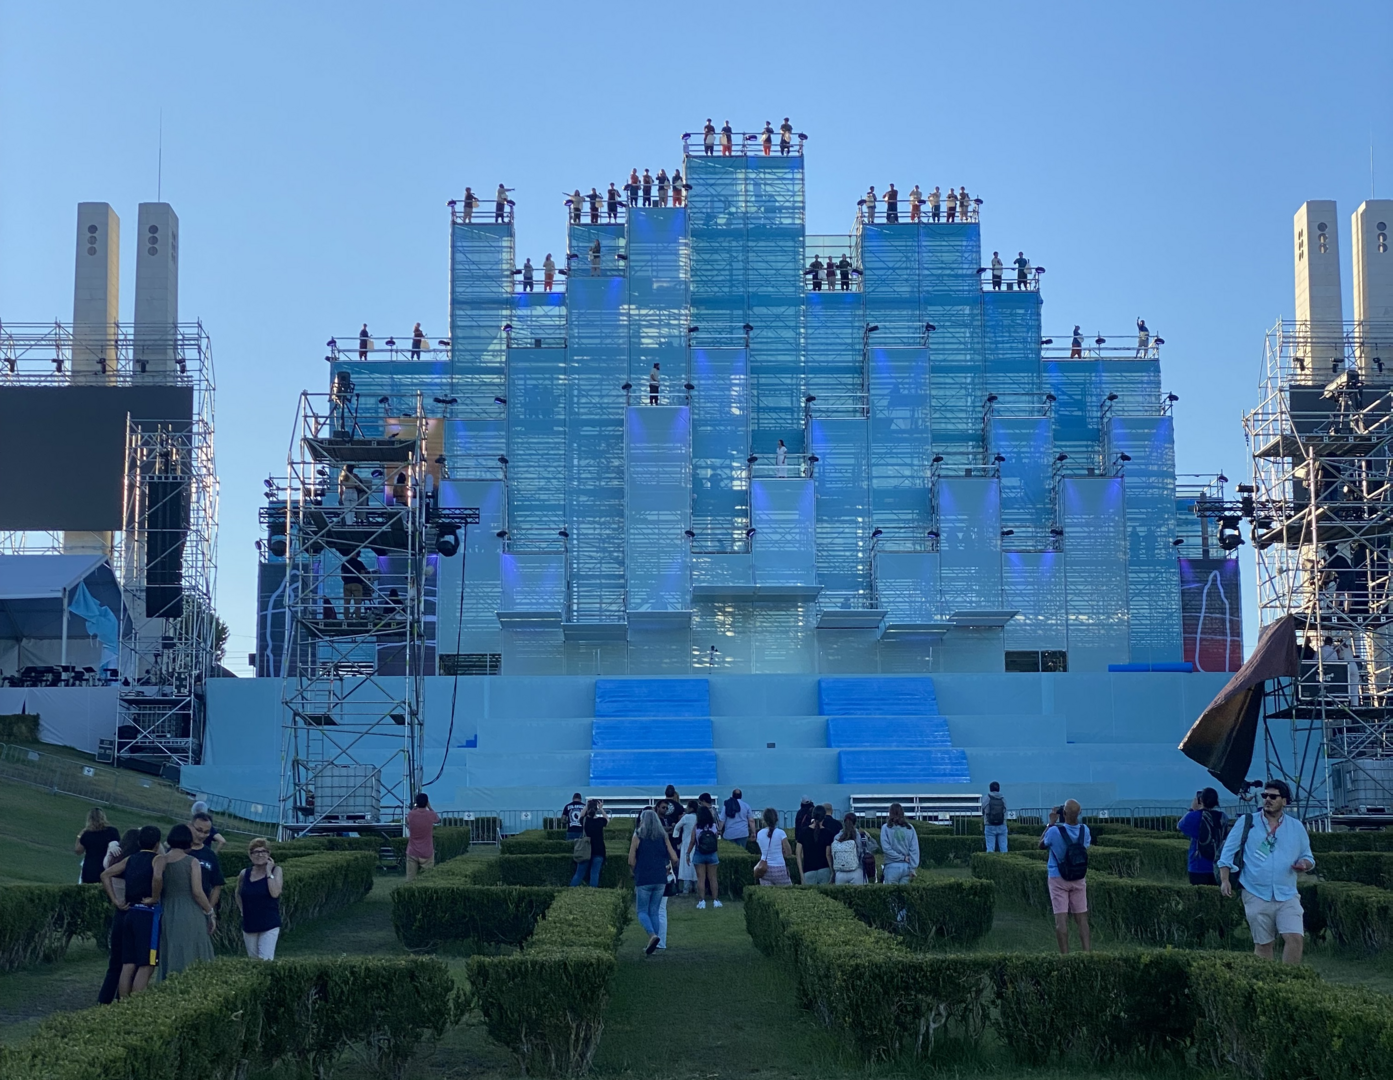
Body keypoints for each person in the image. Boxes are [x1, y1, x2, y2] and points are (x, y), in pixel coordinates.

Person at [1217, 779, 1315, 963]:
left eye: (1273, 796)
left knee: (1295, 939)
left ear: (1284, 801)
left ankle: (1288, 982)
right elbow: (1227, 854)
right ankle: (1266, 983)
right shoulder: (1247, 822)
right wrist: (1225, 879)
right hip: (1256, 893)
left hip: (1287, 894)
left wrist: (1304, 864)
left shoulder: (1296, 827)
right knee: (1263, 945)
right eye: (1264, 795)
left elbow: (1309, 857)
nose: (1267, 799)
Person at [101, 824, 162, 998]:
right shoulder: (157, 859)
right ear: (157, 844)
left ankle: (122, 1003)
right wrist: (154, 897)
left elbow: (105, 874)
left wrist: (115, 900)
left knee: (127, 963)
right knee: (146, 964)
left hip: (129, 911)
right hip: (147, 914)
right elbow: (157, 876)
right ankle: (135, 1003)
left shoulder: (130, 859)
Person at [154, 823, 216, 980]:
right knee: (195, 950)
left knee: (171, 950)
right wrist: (210, 911)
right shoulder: (192, 861)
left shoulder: (161, 861)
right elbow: (197, 891)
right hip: (190, 911)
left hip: (168, 912)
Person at [1040, 800, 1092, 954]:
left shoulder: (1054, 831)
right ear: (1079, 814)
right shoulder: (1085, 830)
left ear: (1063, 814)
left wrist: (1050, 823)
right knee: (1082, 919)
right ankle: (1087, 953)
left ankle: (1065, 956)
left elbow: (1040, 844)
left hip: (1058, 877)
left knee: (1061, 920)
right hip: (1078, 877)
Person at [97, 828, 140, 1003]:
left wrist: (111, 846)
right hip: (134, 911)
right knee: (130, 961)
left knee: (115, 961)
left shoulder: (114, 860)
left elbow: (105, 866)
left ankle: (104, 998)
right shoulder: (136, 863)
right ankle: (123, 997)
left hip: (119, 910)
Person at [628, 809, 678, 955]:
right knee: (655, 911)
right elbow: (674, 858)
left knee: (642, 911)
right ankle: (654, 944)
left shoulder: (637, 835)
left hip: (644, 877)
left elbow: (631, 860)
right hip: (660, 878)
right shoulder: (663, 836)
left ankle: (652, 936)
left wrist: (634, 870)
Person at [236, 838, 283, 960]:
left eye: (264, 851)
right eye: (256, 852)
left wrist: (268, 872)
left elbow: (275, 893)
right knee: (253, 960)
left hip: (269, 924)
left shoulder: (276, 871)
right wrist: (242, 910)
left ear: (269, 854)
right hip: (250, 923)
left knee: (265, 960)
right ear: (250, 855)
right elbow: (238, 893)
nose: (260, 854)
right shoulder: (244, 874)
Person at [1177, 787, 1227, 885]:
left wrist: (1192, 808)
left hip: (1198, 865)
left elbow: (1180, 826)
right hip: (1218, 864)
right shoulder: (1223, 817)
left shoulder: (1194, 816)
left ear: (1200, 800)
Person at [686, 802, 722, 908]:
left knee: (701, 878)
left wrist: (687, 853)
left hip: (699, 853)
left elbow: (692, 841)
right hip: (712, 854)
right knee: (713, 878)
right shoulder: (713, 826)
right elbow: (715, 839)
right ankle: (715, 900)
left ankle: (702, 901)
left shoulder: (696, 827)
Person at [188, 813, 226, 913]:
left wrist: (209, 909)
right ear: (190, 826)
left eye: (206, 832)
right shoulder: (178, 850)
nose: (201, 835)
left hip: (200, 909)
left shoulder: (210, 855)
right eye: (199, 830)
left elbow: (217, 885)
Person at [796, 803, 838, 885]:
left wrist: (801, 875)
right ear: (824, 817)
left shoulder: (803, 832)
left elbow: (798, 854)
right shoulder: (828, 833)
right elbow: (828, 854)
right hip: (824, 869)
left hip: (808, 870)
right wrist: (832, 871)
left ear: (813, 816)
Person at [76, 808, 120, 884]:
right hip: (107, 866)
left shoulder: (87, 834)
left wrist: (79, 835)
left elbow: (78, 850)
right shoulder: (112, 831)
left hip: (90, 868)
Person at [571, 799, 608, 887]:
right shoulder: (600, 821)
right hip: (599, 850)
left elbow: (580, 816)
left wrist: (586, 806)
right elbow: (607, 819)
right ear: (596, 810)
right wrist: (601, 808)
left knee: (579, 874)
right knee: (595, 874)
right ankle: (593, 893)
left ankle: (571, 890)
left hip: (585, 850)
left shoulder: (585, 821)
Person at [879, 803, 920, 884]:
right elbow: (914, 849)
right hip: (907, 867)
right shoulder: (910, 828)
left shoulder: (885, 828)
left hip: (891, 866)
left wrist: (901, 857)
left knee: (891, 895)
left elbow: (886, 849)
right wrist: (913, 867)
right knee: (904, 895)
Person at [754, 807, 793, 886]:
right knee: (787, 891)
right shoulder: (781, 833)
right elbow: (789, 852)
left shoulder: (759, 833)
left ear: (764, 819)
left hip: (764, 869)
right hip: (779, 867)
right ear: (776, 819)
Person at [405, 792, 440, 881]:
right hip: (427, 850)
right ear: (427, 802)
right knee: (427, 879)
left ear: (416, 802)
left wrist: (415, 807)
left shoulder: (411, 814)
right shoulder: (430, 815)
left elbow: (407, 821)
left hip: (412, 850)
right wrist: (430, 807)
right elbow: (438, 820)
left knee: (410, 878)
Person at [830, 813, 871, 884]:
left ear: (844, 822)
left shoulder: (837, 837)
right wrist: (869, 837)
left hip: (840, 872)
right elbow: (868, 850)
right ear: (855, 823)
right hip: (857, 871)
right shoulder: (861, 837)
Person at [672, 798, 699, 894]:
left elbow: (677, 827)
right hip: (697, 843)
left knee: (686, 865)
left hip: (687, 843)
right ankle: (697, 887)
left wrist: (676, 838)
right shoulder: (699, 817)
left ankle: (686, 888)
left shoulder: (686, 817)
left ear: (690, 808)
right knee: (696, 864)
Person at [341, 550, 369, 619]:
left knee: (346, 603)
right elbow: (363, 573)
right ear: (357, 555)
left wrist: (346, 581)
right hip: (357, 584)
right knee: (357, 602)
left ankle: (346, 617)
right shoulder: (359, 563)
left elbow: (342, 575)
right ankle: (357, 617)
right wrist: (363, 581)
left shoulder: (345, 563)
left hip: (347, 584)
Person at [981, 782, 1008, 852]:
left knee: (990, 847)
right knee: (1003, 847)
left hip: (989, 824)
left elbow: (983, 809)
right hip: (1002, 824)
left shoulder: (986, 798)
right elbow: (1005, 811)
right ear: (999, 789)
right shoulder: (1003, 798)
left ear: (990, 789)